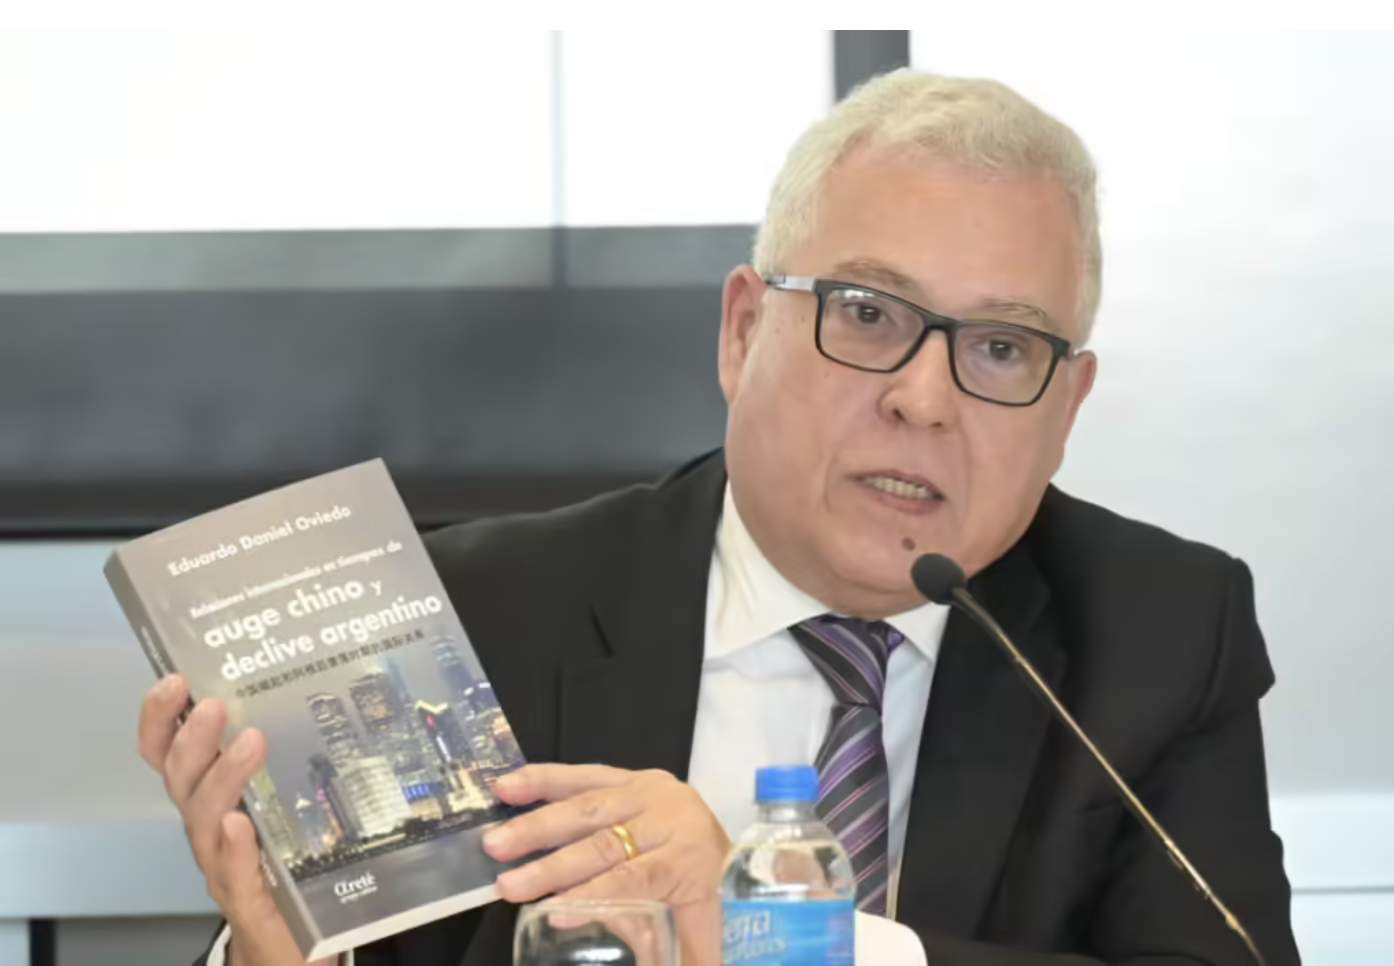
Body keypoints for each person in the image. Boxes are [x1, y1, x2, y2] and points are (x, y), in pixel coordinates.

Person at [136, 68, 1302, 966]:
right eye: (867, 313)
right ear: (743, 333)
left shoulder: (1158, 633)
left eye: (1000, 348)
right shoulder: (474, 620)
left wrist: (779, 934)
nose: (923, 398)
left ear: (1067, 405)